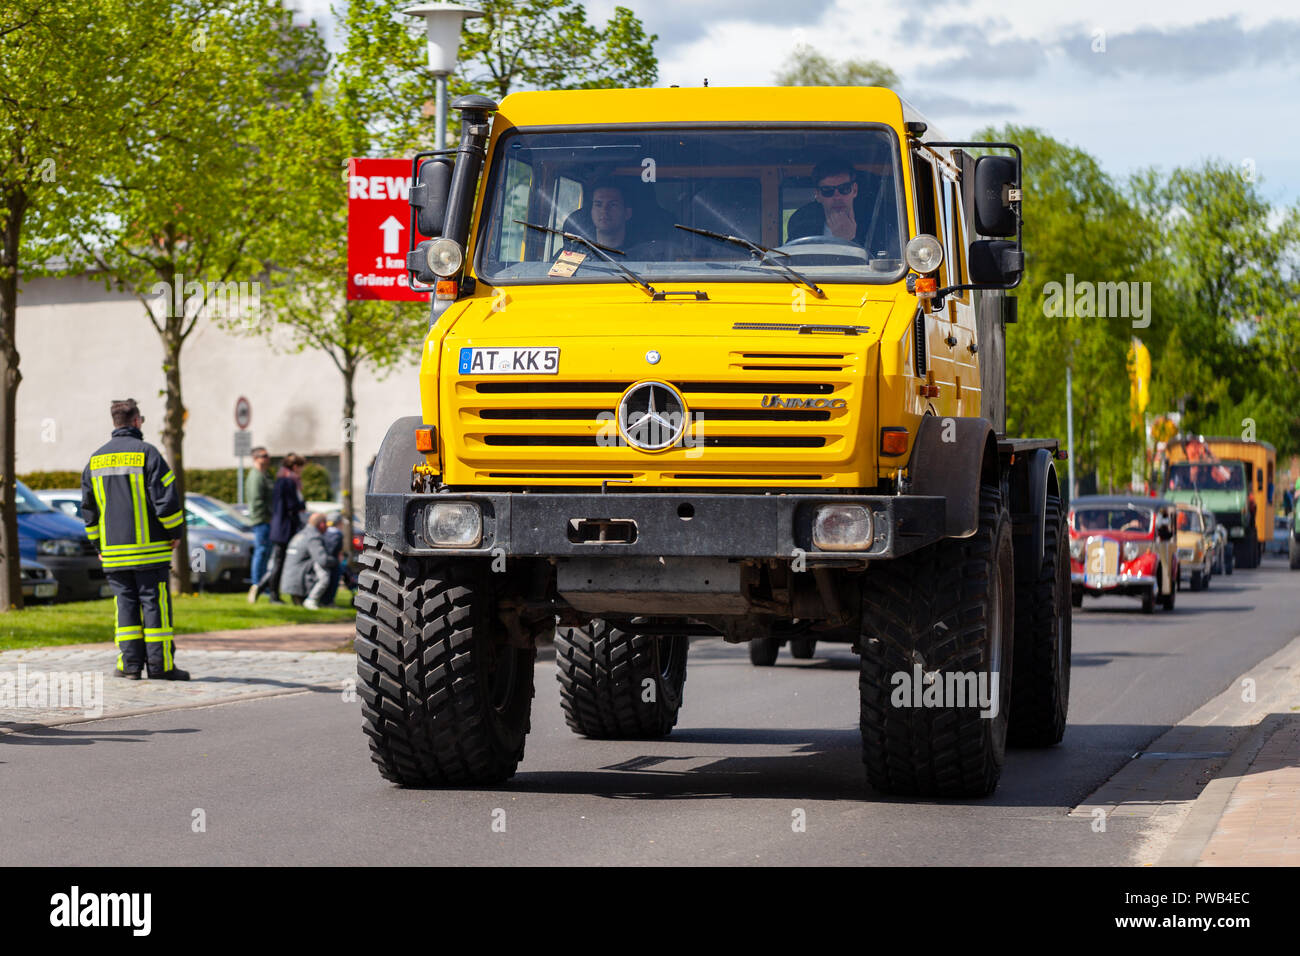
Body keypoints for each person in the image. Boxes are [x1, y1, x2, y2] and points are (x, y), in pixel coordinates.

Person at [79, 399, 189, 680]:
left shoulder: (95, 460)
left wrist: (98, 547)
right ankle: (160, 666)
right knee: (155, 607)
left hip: (114, 554)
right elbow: (166, 502)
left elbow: (89, 512)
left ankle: (128, 667)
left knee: (124, 607)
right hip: (150, 553)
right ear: (137, 421)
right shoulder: (148, 454)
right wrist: (174, 534)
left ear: (115, 422)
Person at [249, 453, 305, 604]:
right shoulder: (289, 482)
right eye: (300, 468)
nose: (301, 471)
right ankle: (267, 591)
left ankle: (266, 589)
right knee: (279, 563)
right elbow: (292, 505)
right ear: (295, 467)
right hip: (284, 528)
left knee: (278, 561)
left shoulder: (280, 480)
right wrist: (302, 504)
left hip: (279, 527)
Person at [281, 512, 337, 610]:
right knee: (331, 568)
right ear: (322, 524)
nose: (327, 528)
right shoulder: (313, 537)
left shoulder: (300, 534)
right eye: (326, 524)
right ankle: (317, 600)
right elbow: (322, 560)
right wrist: (337, 560)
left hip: (289, 581)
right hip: (300, 582)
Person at [245, 446, 273, 598]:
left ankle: (263, 584)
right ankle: (257, 584)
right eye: (264, 455)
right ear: (256, 458)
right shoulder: (256, 476)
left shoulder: (265, 474)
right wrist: (268, 515)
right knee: (261, 552)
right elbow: (257, 501)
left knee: (265, 552)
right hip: (261, 520)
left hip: (266, 520)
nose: (267, 458)